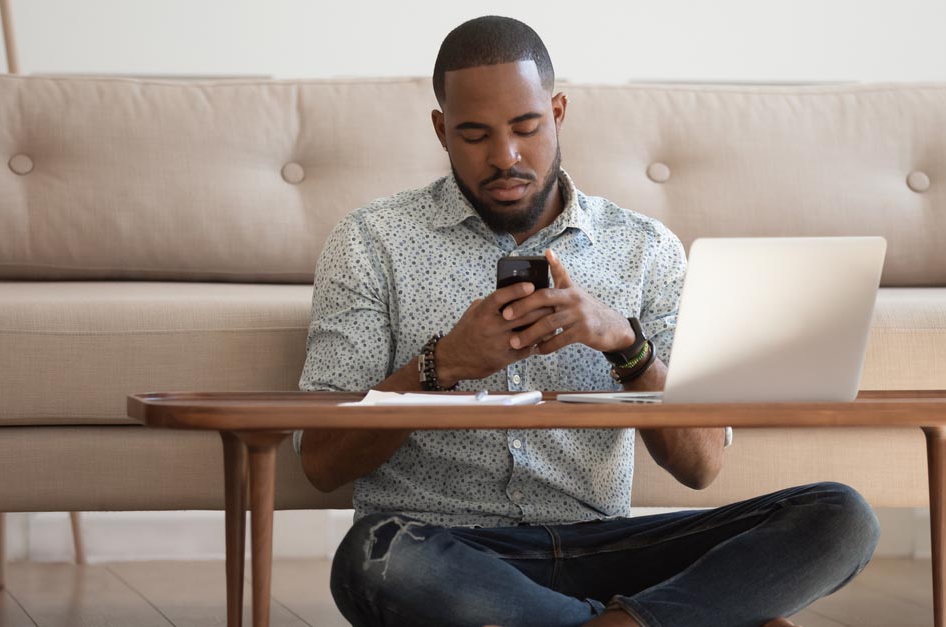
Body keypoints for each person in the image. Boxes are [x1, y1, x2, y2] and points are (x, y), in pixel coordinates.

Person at [294, 15, 879, 627]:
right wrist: (443, 366)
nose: (506, 156)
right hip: (444, 549)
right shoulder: (370, 242)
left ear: (559, 112)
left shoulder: (644, 249)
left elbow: (701, 466)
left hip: (607, 545)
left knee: (838, 517)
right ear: (441, 130)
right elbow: (323, 463)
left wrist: (627, 346)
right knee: (370, 556)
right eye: (474, 135)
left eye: (527, 127)